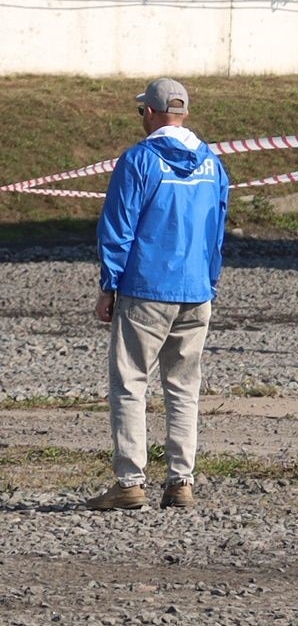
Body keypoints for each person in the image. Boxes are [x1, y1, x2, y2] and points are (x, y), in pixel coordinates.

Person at [88, 78, 229, 512]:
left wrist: (108, 285)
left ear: (150, 113)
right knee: (184, 386)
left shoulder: (139, 160)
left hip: (147, 287)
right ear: (183, 113)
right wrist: (211, 279)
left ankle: (130, 480)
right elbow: (217, 228)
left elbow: (119, 227)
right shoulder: (212, 163)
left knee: (131, 381)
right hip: (195, 288)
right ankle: (180, 481)